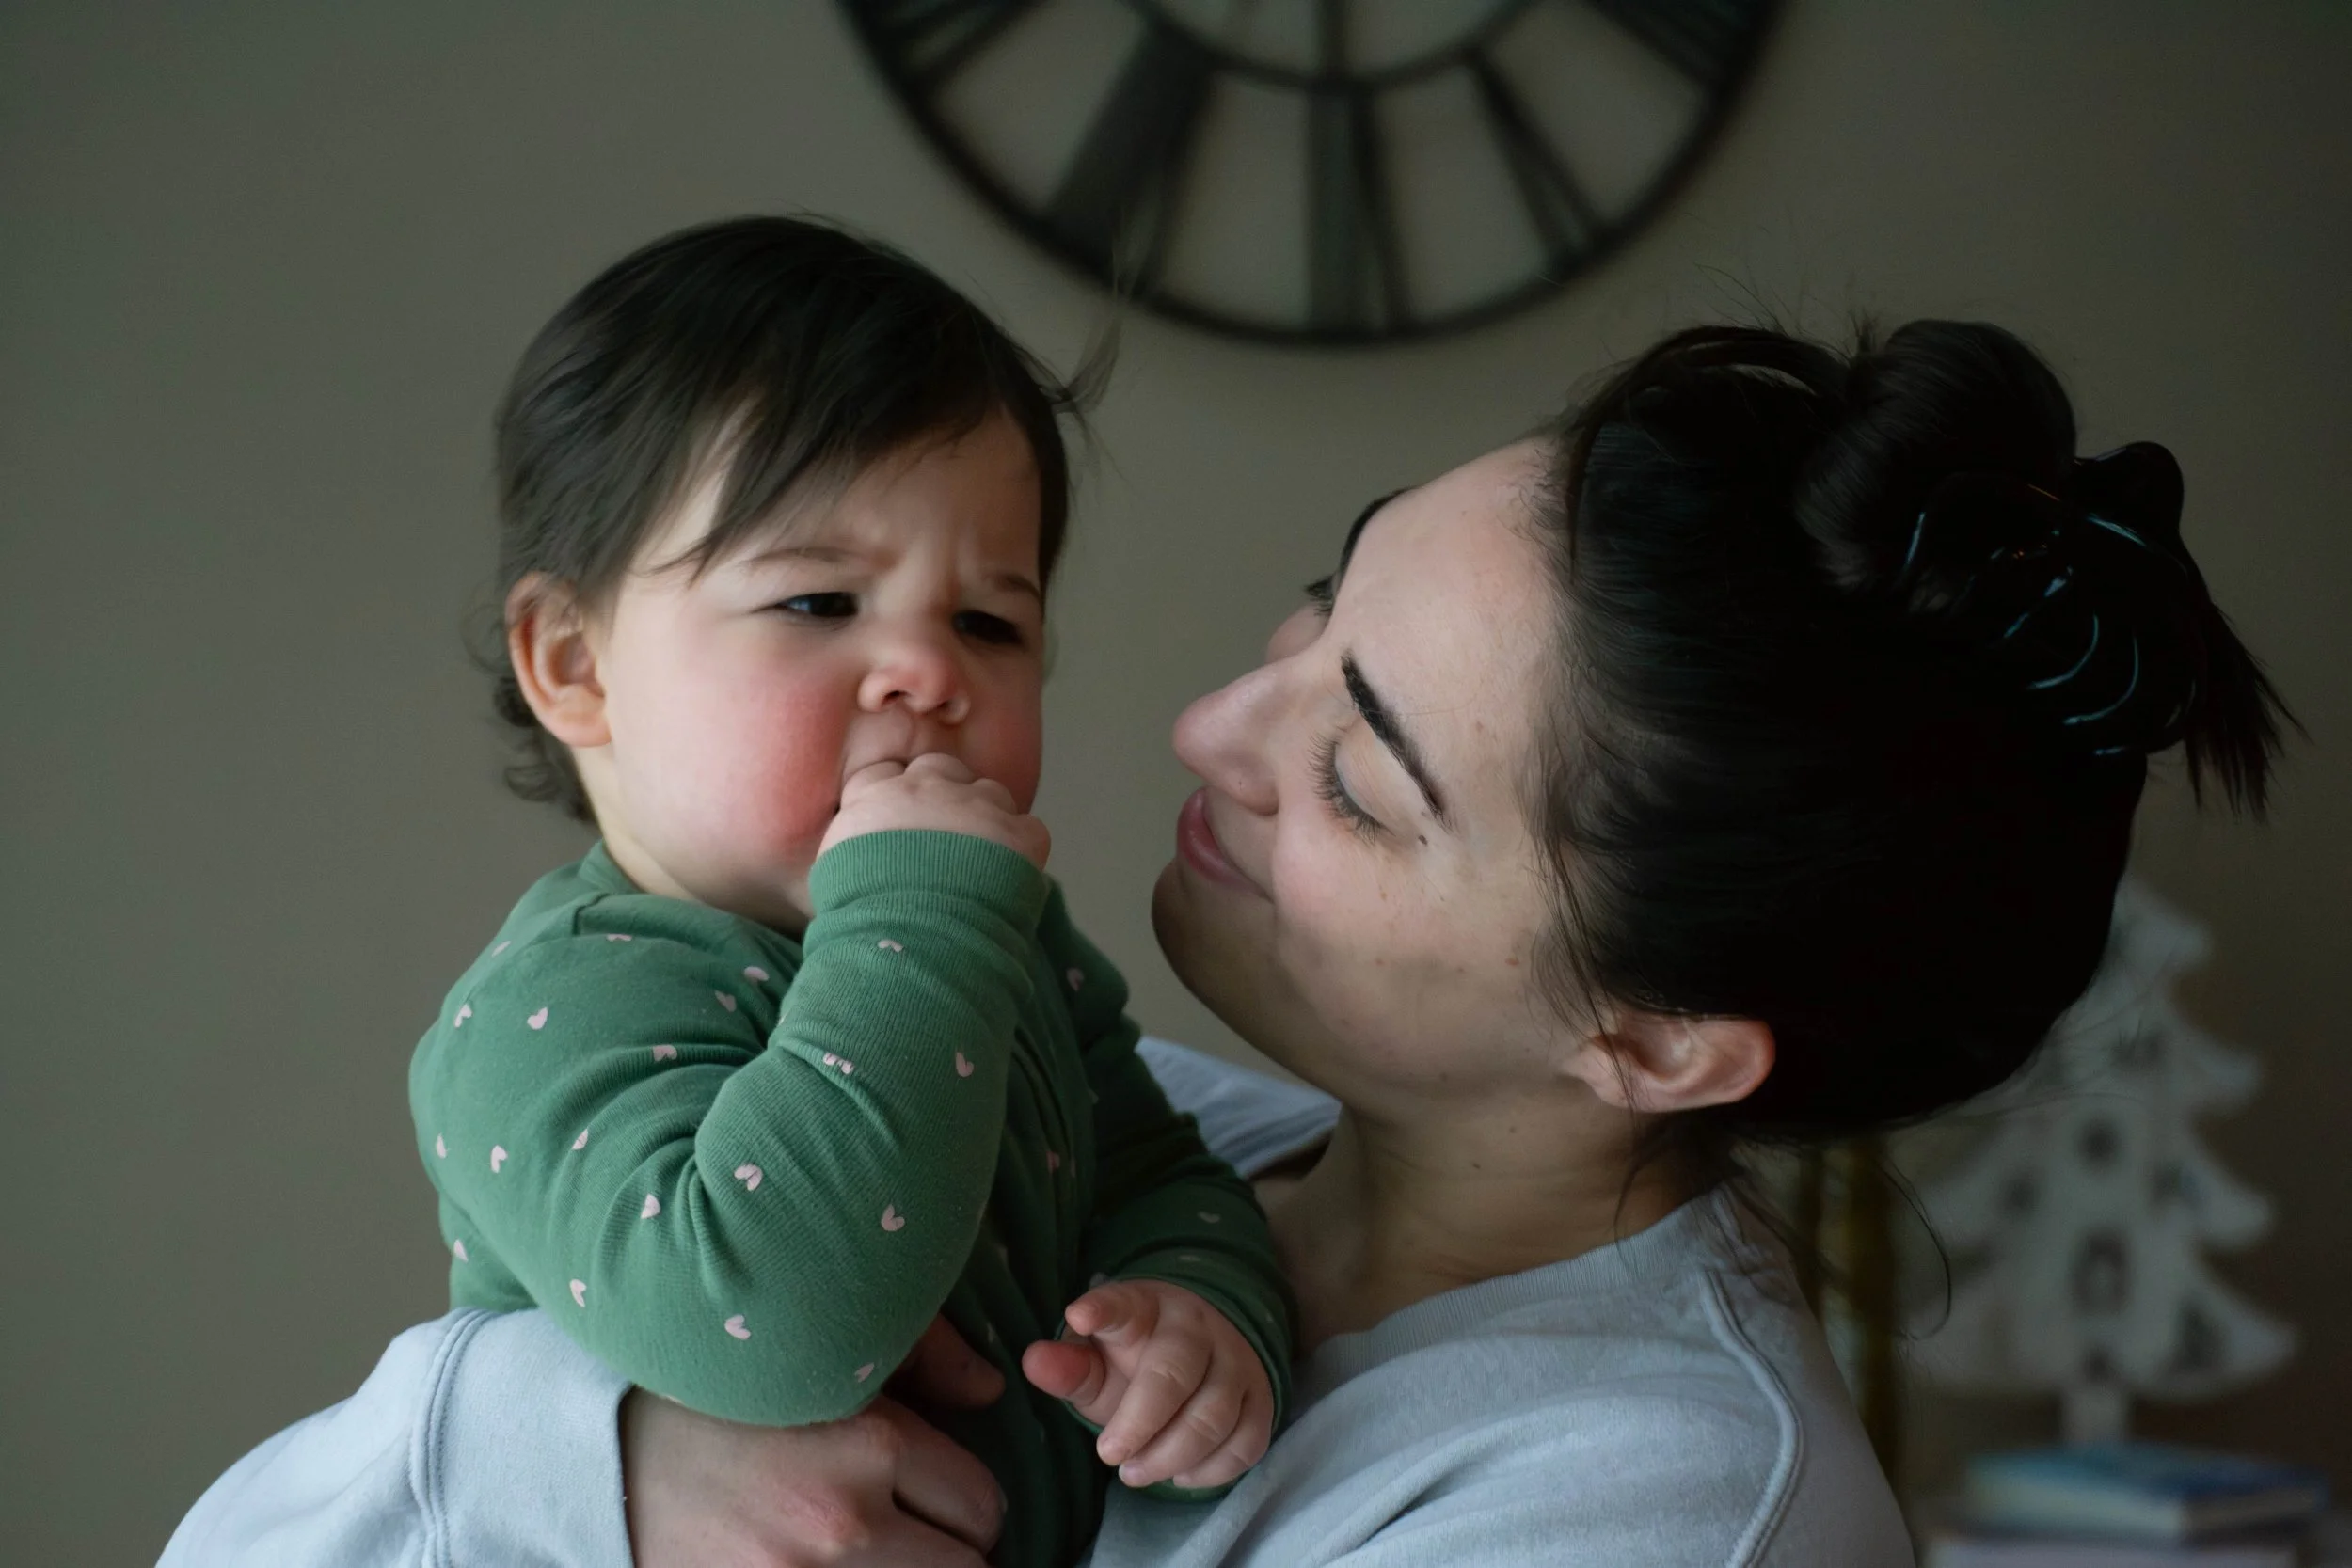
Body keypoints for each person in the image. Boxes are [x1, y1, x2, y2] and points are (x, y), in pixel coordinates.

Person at [161, 319, 2289, 1568]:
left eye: (1362, 773)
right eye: (1312, 607)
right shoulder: (1126, 1132)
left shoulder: (1638, 1508)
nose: (1202, 724)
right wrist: (589, 1450)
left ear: (1651, 1035)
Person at [395, 217, 1295, 1568]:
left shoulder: (993, 935)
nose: (928, 675)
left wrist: (1198, 1308)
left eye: (991, 622)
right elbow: (774, 1332)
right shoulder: (541, 1019)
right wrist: (921, 924)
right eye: (821, 601)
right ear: (575, 665)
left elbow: (1156, 1168)